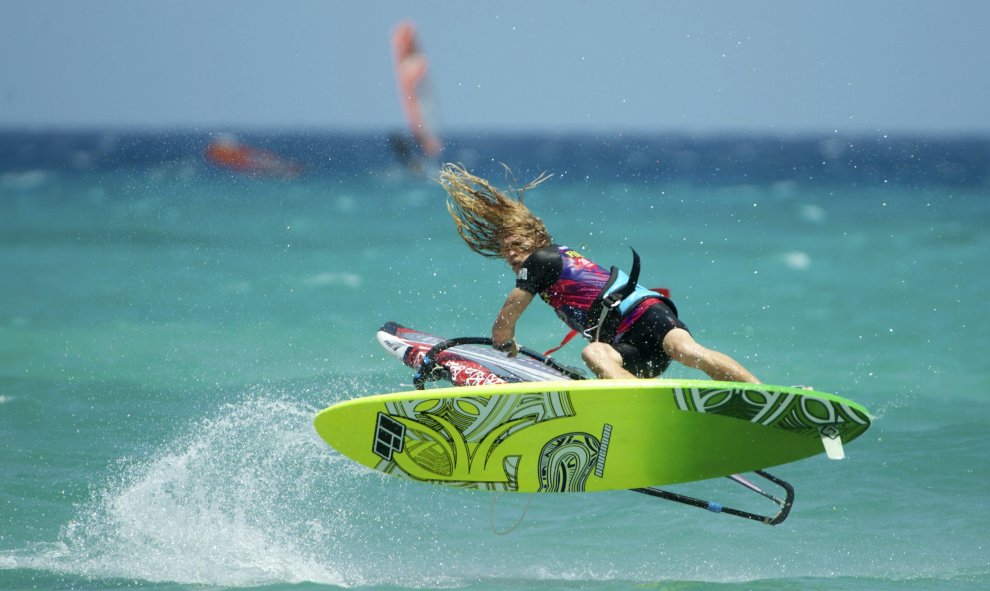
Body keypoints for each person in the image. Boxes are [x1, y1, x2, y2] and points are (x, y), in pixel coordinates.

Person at [437, 163, 760, 383]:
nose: (511, 253)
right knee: (594, 352)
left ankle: (759, 394)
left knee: (689, 352)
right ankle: (642, 403)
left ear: (536, 239)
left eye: (516, 243)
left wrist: (504, 343)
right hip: (628, 348)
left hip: (645, 314)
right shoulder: (549, 262)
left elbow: (508, 315)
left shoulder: (541, 259)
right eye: (506, 248)